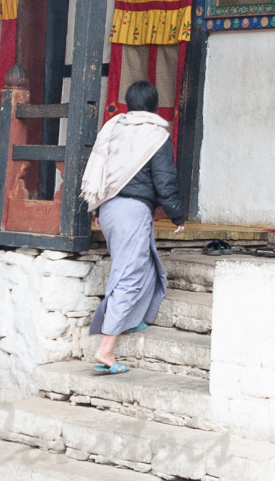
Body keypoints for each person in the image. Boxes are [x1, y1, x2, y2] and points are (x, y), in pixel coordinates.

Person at [80, 80, 185, 374]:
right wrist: (178, 215)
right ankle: (105, 349)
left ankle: (134, 317)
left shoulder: (114, 129)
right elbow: (165, 182)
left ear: (128, 103)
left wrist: (99, 207)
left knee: (147, 265)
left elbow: (103, 171)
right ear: (154, 105)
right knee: (128, 274)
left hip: (110, 208)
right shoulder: (155, 135)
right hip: (133, 211)